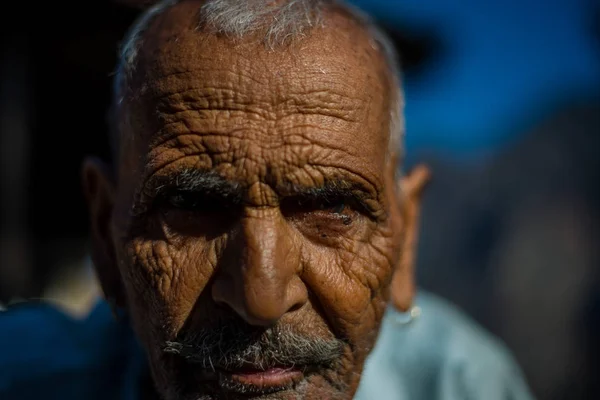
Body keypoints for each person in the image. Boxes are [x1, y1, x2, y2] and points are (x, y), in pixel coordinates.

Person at [0, 1, 535, 399]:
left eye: (333, 210)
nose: (261, 298)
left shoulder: (464, 384)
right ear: (103, 230)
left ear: (406, 233)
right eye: (190, 205)